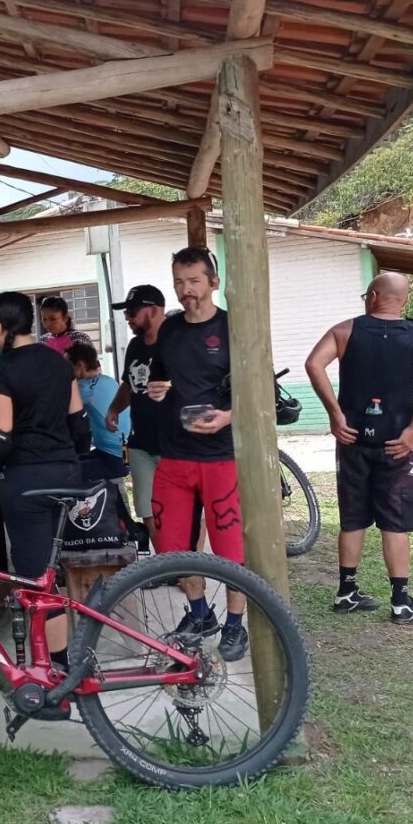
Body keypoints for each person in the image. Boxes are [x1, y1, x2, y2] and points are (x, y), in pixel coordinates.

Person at [304, 271, 413, 625]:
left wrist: (336, 415)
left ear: (372, 297)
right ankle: (400, 602)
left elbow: (313, 363)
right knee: (394, 521)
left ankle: (346, 592)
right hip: (398, 443)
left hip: (352, 437)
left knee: (352, 517)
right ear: (404, 301)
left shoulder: (345, 331)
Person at [146, 247, 249, 662]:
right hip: (174, 457)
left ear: (213, 283)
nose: (185, 289)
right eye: (179, 282)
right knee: (173, 550)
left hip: (221, 457)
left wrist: (229, 416)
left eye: (193, 281)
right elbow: (160, 379)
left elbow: (258, 391)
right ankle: (201, 613)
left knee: (231, 551)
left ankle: (235, 625)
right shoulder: (169, 330)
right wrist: (157, 390)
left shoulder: (231, 328)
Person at [0, 291, 89, 667]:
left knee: (36, 581)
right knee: (48, 572)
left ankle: (57, 668)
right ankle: (55, 661)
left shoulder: (1, 371)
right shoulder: (58, 362)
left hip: (28, 483)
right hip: (67, 476)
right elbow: (80, 428)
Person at [106, 285, 167, 548]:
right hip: (140, 444)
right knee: (147, 510)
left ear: (152, 310)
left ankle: (189, 563)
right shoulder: (134, 346)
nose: (128, 318)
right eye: (126, 313)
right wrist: (114, 408)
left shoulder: (176, 342)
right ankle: (167, 563)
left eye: (132, 312)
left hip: (174, 444)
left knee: (184, 511)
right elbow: (129, 384)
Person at [67, 342, 130, 482]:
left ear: (80, 365)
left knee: (65, 472)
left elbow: (59, 407)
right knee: (73, 462)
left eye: (68, 366)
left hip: (113, 459)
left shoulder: (85, 387)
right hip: (123, 454)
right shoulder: (108, 380)